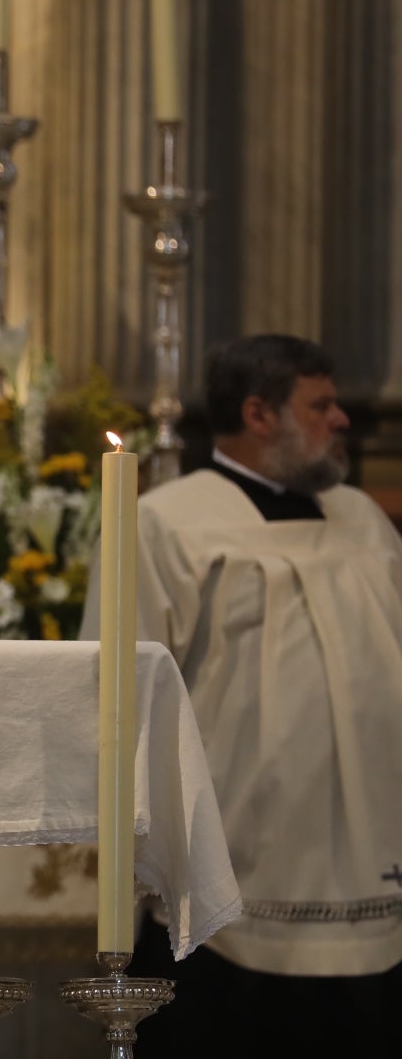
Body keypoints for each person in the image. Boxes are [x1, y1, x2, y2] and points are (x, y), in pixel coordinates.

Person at [82, 334, 402, 1057]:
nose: (342, 419)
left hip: (376, 850)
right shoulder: (165, 521)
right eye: (320, 405)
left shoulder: (361, 518)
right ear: (259, 414)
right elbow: (120, 690)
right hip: (238, 848)